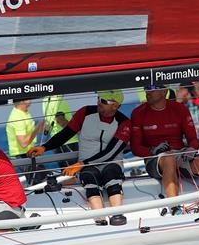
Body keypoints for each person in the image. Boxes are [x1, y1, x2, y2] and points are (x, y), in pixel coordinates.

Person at [28, 90, 130, 226]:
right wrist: (44, 147)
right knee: (90, 177)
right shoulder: (85, 113)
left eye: (104, 101)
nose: (98, 102)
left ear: (115, 106)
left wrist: (81, 164)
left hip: (110, 163)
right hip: (87, 167)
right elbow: (65, 134)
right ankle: (100, 221)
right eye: (99, 98)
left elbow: (110, 152)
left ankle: (118, 216)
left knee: (111, 175)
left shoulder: (124, 123)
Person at [130, 83, 199, 215]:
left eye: (152, 89)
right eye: (146, 88)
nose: (147, 91)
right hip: (155, 159)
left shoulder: (179, 109)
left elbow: (193, 139)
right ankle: (175, 208)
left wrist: (191, 150)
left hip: (180, 155)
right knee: (168, 158)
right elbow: (135, 148)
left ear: (164, 91)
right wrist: (152, 151)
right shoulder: (138, 113)